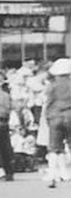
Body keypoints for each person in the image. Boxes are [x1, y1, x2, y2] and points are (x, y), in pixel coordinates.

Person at [44, 57, 71, 189]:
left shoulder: (52, 86)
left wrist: (47, 117)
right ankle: (66, 173)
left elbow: (48, 102)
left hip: (55, 116)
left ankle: (52, 174)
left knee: (55, 147)